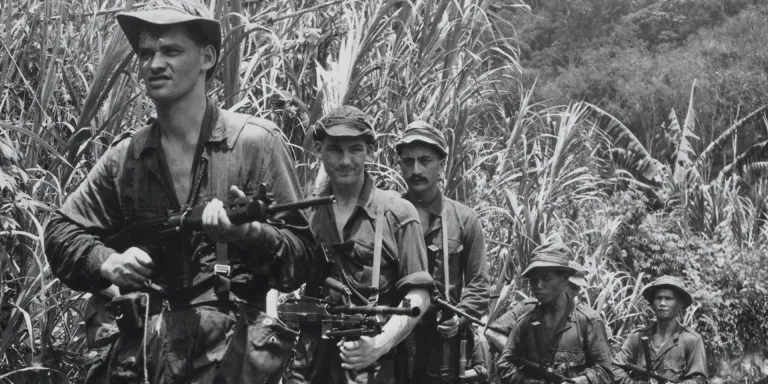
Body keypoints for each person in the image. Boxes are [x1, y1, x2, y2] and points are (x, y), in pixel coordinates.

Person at [44, 1, 315, 382]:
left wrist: (250, 235)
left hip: (228, 360)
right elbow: (60, 231)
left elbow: (302, 259)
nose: (154, 64)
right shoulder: (126, 158)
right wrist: (107, 261)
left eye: (171, 50)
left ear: (207, 57)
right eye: (145, 53)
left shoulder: (256, 144)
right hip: (140, 358)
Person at [284, 106, 434, 384]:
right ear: (318, 149)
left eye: (355, 149)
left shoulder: (397, 213)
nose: (345, 161)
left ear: (371, 151)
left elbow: (419, 294)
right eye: (334, 150)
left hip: (369, 363)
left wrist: (381, 344)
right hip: (308, 363)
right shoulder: (306, 211)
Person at [394, 120, 491, 383]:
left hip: (444, 341)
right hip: (396, 337)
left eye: (425, 160)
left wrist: (459, 318)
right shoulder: (388, 215)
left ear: (441, 164)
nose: (416, 169)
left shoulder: (464, 220)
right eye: (408, 161)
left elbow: (479, 284)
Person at [496, 235, 613, 384]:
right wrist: (526, 381)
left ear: (564, 279)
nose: (538, 286)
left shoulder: (588, 322)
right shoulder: (525, 323)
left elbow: (606, 372)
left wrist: (580, 381)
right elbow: (503, 366)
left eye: (546, 279)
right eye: (534, 280)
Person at [612, 276, 708, 384]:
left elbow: (699, 380)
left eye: (668, 298)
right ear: (652, 304)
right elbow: (615, 368)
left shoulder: (691, 340)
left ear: (680, 304)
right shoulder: (637, 337)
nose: (662, 303)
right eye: (658, 298)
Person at [485, 268, 588, 353]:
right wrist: (516, 356)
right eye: (573, 287)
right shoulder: (529, 308)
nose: (577, 292)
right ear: (562, 282)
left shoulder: (582, 317)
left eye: (578, 288)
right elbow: (492, 332)